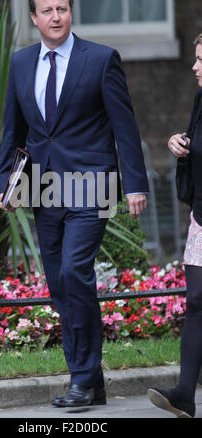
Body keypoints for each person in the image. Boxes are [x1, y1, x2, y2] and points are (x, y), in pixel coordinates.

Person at [0, 0, 148, 407]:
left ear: (70, 12)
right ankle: (93, 379)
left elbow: (125, 125)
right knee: (60, 285)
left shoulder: (100, 60)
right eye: (47, 11)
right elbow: (14, 130)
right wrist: (6, 183)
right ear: (34, 18)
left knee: (74, 273)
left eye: (62, 9)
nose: (56, 17)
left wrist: (134, 183)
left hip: (92, 186)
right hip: (43, 188)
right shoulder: (21, 63)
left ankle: (81, 379)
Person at [148, 34, 202, 419]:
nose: (195, 66)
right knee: (197, 303)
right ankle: (184, 394)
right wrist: (178, 146)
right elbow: (194, 150)